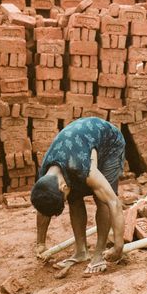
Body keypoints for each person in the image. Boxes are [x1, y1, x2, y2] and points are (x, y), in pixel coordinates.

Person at [30, 117, 126, 274]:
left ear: (63, 186)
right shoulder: (45, 177)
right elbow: (43, 205)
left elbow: (113, 202)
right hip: (79, 146)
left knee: (101, 199)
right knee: (73, 198)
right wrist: (40, 243)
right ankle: (81, 252)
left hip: (110, 144)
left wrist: (118, 245)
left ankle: (98, 254)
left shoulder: (83, 167)